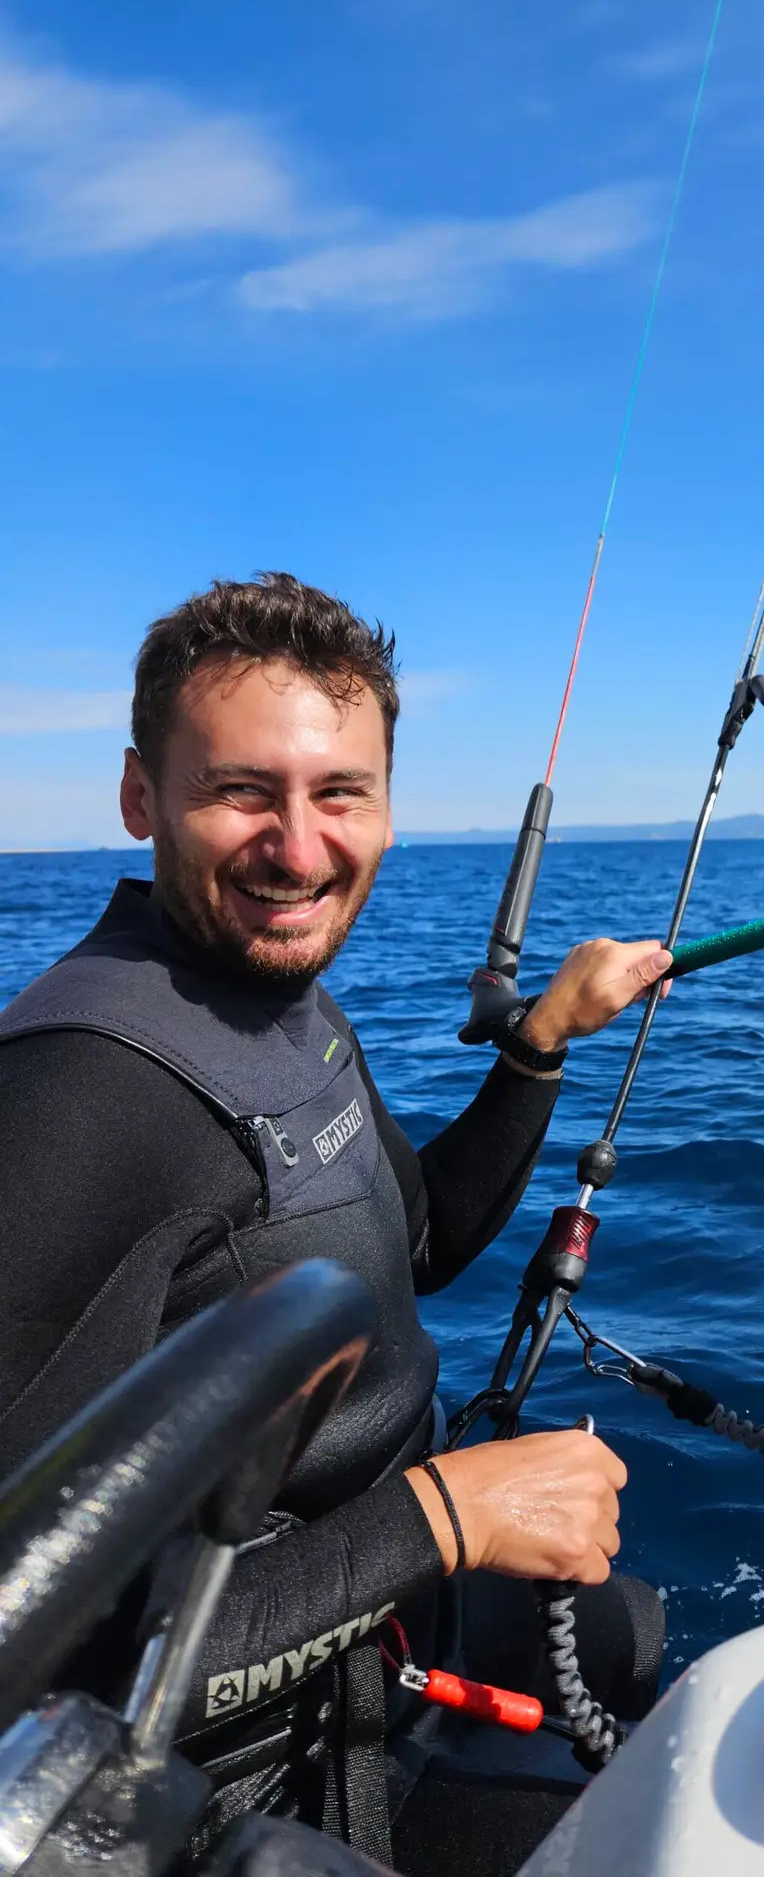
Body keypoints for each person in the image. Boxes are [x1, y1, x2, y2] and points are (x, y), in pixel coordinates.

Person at [0, 574, 671, 1858]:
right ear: (142, 797)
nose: (300, 850)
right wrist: (452, 1514)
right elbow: (35, 1661)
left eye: (339, 794)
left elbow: (416, 1246)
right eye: (242, 791)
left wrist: (537, 1050)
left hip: (375, 1646)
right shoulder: (71, 1102)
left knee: (638, 1641)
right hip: (227, 1793)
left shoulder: (278, 1006)